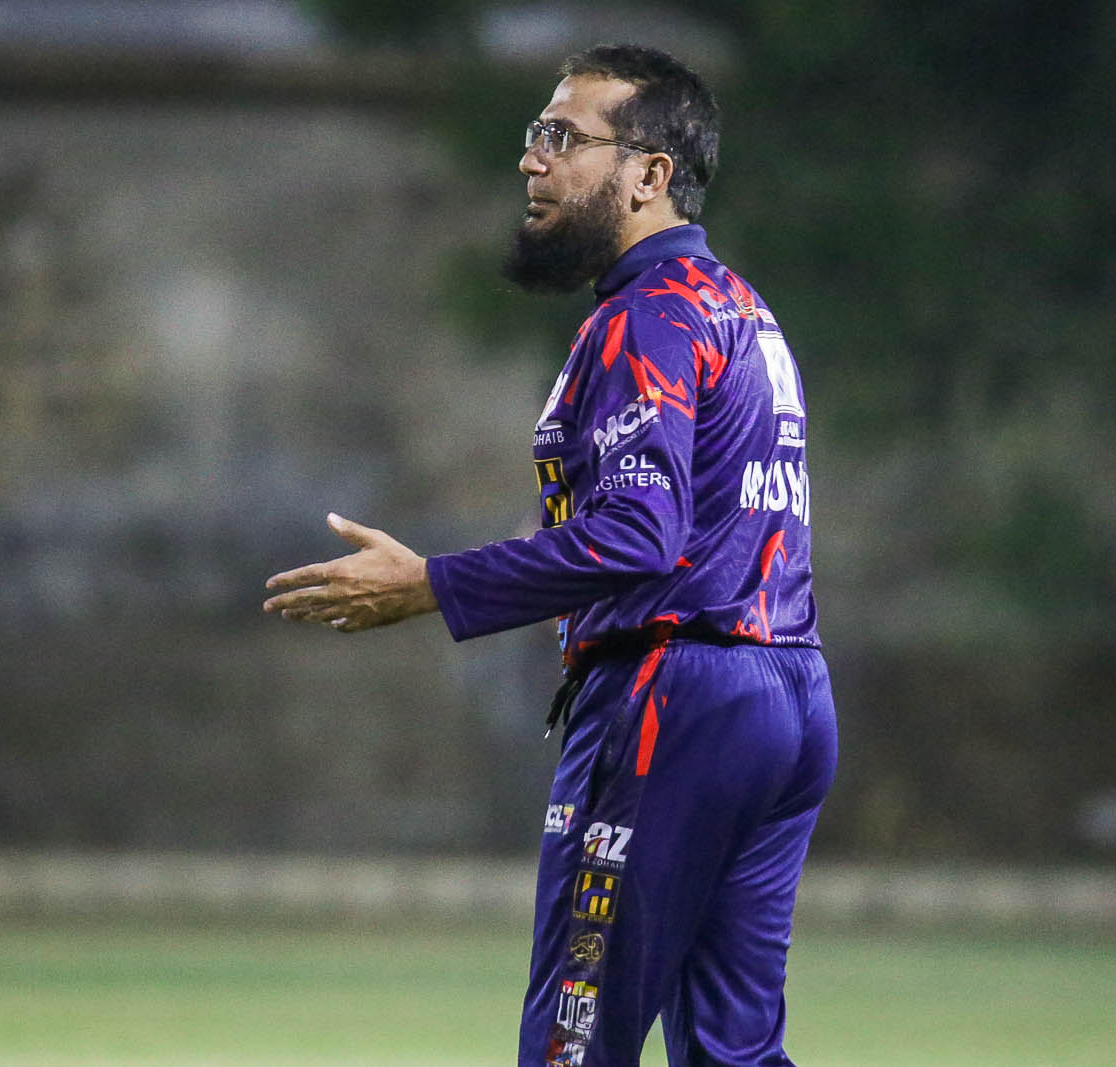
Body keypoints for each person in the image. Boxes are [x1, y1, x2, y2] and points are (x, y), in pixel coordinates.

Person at [264, 43, 837, 1067]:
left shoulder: (645, 317)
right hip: (787, 694)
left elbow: (639, 535)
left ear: (649, 173)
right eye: (537, 134)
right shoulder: (741, 308)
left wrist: (429, 584)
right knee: (736, 1054)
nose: (533, 159)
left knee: (573, 1047)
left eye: (565, 137)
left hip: (675, 698)